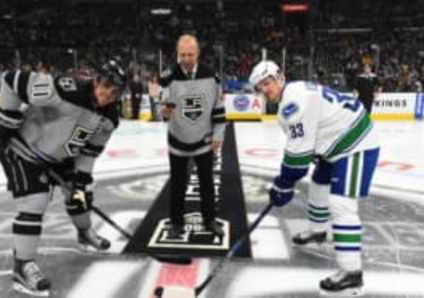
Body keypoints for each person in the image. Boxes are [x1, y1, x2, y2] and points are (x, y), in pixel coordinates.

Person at [0, 60, 126, 296]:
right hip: (23, 150)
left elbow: (89, 152)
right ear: (96, 80)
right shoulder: (65, 87)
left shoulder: (110, 117)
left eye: (115, 92)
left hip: (59, 158)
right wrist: (7, 117)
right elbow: (11, 79)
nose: (108, 95)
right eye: (105, 86)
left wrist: (81, 179)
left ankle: (85, 234)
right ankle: (23, 266)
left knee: (80, 195)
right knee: (35, 201)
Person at [249, 60, 380, 296]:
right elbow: (304, 147)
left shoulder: (291, 103)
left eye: (267, 83)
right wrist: (286, 181)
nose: (264, 89)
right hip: (336, 142)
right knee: (319, 183)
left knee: (342, 205)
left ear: (280, 78)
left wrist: (283, 184)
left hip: (356, 143)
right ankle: (318, 230)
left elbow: (297, 161)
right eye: (260, 87)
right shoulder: (292, 94)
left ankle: (351, 273)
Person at [159, 34, 226, 238]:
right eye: (182, 55)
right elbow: (161, 110)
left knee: (207, 183)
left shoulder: (211, 76)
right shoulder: (167, 77)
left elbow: (219, 108)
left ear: (197, 53)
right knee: (178, 184)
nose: (186, 59)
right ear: (177, 54)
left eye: (190, 54)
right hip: (177, 139)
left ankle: (210, 220)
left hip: (204, 140)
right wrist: (162, 112)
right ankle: (177, 223)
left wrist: (218, 134)